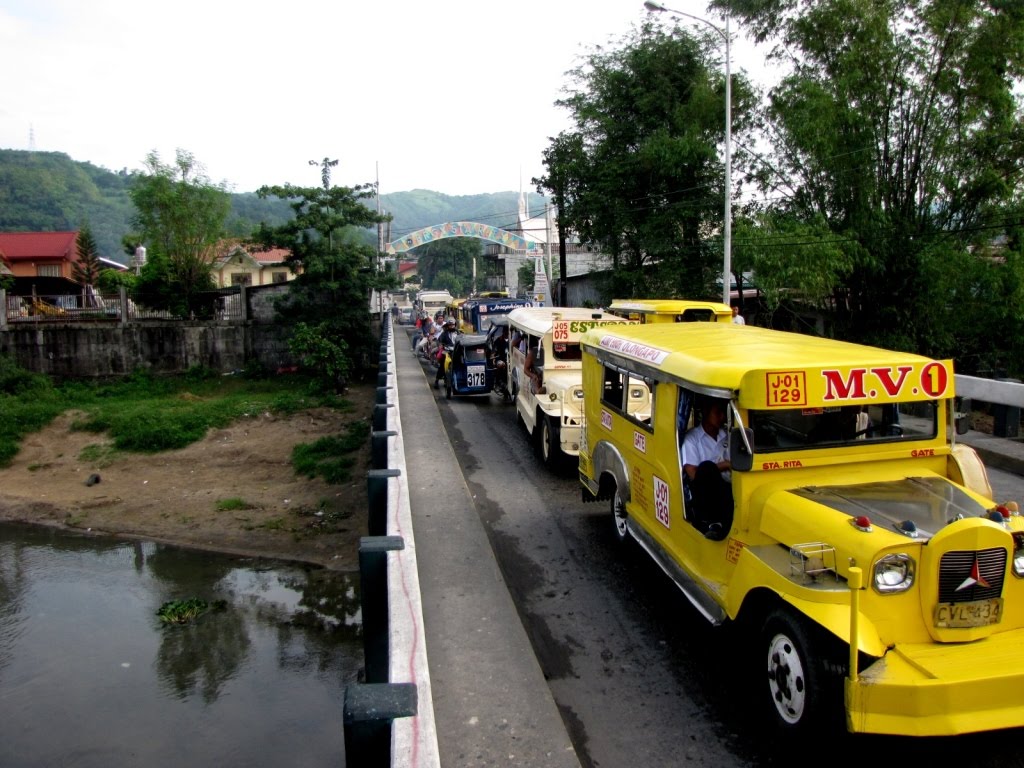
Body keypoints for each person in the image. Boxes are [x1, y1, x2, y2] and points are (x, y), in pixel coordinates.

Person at [682, 398, 733, 539]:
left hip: (729, 484)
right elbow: (693, 473)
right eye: (718, 413)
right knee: (706, 469)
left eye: (723, 413)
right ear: (706, 412)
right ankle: (713, 522)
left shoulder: (727, 435)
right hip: (706, 491)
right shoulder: (692, 439)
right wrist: (725, 465)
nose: (722, 417)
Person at [434, 318, 458, 388]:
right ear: (448, 326)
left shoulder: (458, 333)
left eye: (453, 325)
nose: (451, 326)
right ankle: (437, 380)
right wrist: (441, 345)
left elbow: (462, 339)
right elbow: (439, 341)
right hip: (447, 351)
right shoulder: (444, 333)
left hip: (456, 351)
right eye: (450, 325)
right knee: (442, 365)